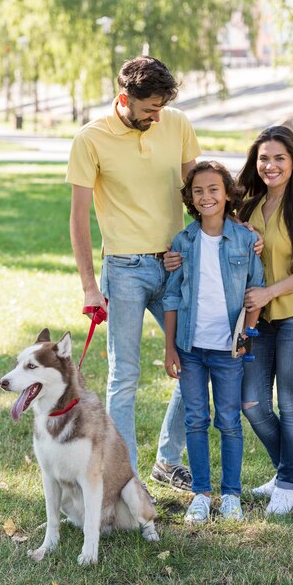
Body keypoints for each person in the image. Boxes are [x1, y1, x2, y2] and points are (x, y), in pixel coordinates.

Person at [66, 56, 201, 490]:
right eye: (148, 111)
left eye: (161, 109)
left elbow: (197, 194)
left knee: (195, 361)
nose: (156, 118)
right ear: (124, 99)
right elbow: (79, 218)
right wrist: (90, 285)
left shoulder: (176, 123)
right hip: (124, 269)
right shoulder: (91, 139)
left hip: (175, 264)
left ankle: (168, 459)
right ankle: (127, 482)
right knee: (124, 377)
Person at [163, 161, 264, 523]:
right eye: (198, 191)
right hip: (190, 349)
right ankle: (201, 494)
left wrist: (245, 338)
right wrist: (169, 346)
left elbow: (255, 292)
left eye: (213, 190)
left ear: (227, 194)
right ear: (190, 198)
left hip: (228, 350)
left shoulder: (245, 240)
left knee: (228, 421)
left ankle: (231, 494)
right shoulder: (183, 241)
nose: (206, 196)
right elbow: (172, 297)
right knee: (194, 419)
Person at [237, 125, 293, 515]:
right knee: (253, 404)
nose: (270, 165)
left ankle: (288, 483)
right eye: (263, 158)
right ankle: (291, 469)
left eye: (278, 158)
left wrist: (271, 292)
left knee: (291, 403)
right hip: (262, 320)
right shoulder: (252, 206)